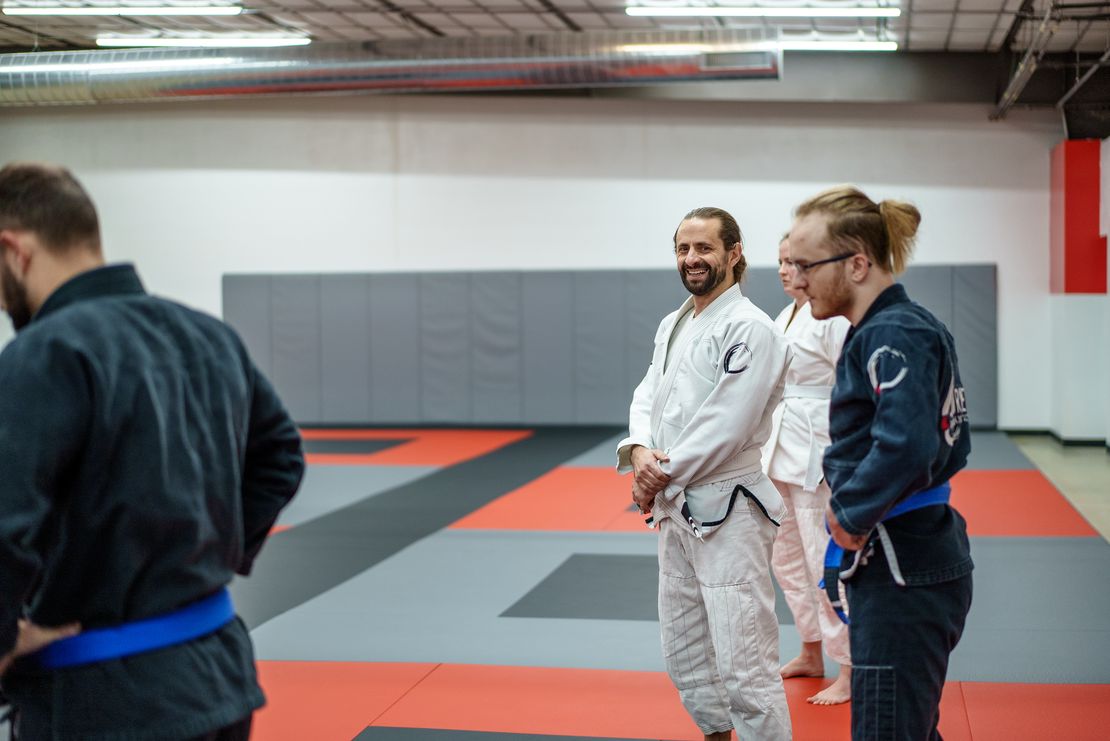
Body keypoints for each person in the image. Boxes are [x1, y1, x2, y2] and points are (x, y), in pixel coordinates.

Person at [0, 162, 305, 741]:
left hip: (100, 700)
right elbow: (282, 458)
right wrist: (208, 553)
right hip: (219, 674)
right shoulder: (207, 335)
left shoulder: (44, 353)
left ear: (13, 249)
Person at [787, 185, 973, 741]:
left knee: (887, 732)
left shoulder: (894, 335)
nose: (796, 279)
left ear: (858, 263)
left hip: (902, 564)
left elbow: (907, 446)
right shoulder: (889, 331)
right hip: (905, 556)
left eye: (806, 265)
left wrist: (846, 518)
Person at [617, 207, 793, 741]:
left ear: (734, 253)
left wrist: (655, 478)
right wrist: (640, 447)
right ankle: (716, 734)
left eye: (704, 248)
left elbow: (728, 423)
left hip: (730, 504)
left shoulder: (752, 328)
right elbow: (648, 393)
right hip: (675, 505)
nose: (691, 259)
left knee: (745, 659)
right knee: (686, 648)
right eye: (683, 250)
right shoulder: (674, 322)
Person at [762, 235, 852, 705]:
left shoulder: (833, 318)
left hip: (819, 446)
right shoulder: (785, 315)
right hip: (780, 444)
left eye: (792, 263)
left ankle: (849, 667)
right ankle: (811, 650)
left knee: (822, 559)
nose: (783, 270)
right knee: (786, 556)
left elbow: (850, 383)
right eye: (779, 262)